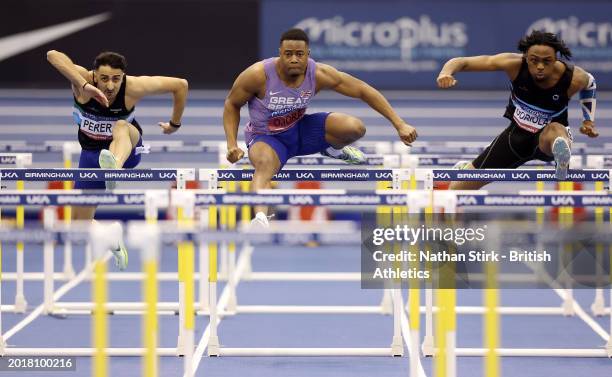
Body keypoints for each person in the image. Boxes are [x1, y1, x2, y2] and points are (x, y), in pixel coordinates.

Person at [223, 28, 418, 226]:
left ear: (308, 55)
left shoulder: (319, 73)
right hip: (267, 139)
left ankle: (332, 148)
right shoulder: (258, 75)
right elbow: (231, 104)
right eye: (288, 54)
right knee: (264, 166)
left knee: (355, 127)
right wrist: (232, 144)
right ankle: (260, 217)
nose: (293, 59)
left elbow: (362, 90)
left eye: (299, 54)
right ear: (279, 53)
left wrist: (399, 124)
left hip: (301, 130)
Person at [47, 50, 188, 269]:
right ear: (94, 75)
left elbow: (180, 85)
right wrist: (84, 86)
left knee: (120, 126)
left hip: (127, 148)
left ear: (123, 76)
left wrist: (174, 124)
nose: (110, 86)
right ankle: (110, 235)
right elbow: (52, 55)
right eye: (104, 79)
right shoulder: (82, 82)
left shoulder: (133, 87)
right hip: (92, 155)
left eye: (116, 79)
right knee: (78, 226)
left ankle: (113, 168)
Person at [436, 30, 598, 189]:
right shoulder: (513, 64)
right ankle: (465, 170)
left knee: (556, 131)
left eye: (547, 61)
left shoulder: (572, 77)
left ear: (556, 59)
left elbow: (590, 84)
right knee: (457, 189)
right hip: (515, 138)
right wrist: (445, 72)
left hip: (547, 138)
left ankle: (562, 158)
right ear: (526, 58)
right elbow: (463, 62)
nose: (540, 66)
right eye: (534, 60)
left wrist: (588, 121)